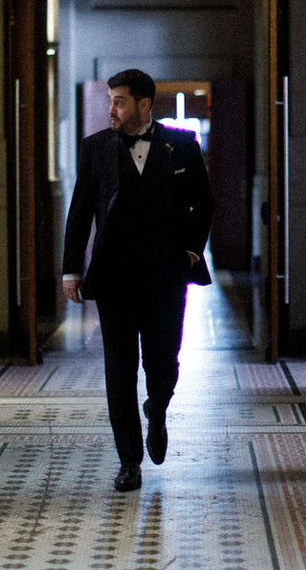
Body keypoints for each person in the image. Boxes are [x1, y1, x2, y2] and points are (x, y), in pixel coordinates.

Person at [62, 69, 214, 492]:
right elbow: (80, 210)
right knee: (119, 369)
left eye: (121, 101)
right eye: (110, 99)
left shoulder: (181, 145)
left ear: (145, 104)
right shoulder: (95, 149)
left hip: (166, 275)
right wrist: (71, 268)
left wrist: (191, 248)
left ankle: (158, 408)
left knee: (164, 361)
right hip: (114, 278)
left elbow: (202, 203)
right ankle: (129, 460)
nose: (111, 108)